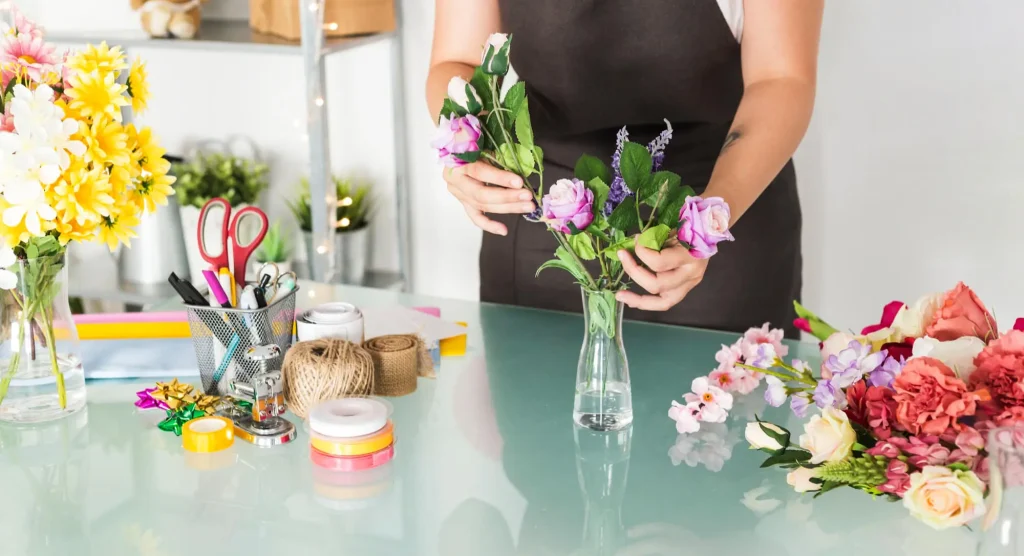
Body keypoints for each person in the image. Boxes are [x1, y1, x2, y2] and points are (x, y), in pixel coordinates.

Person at [428, 0, 823, 336]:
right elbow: (457, 59)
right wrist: (469, 143)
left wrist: (710, 219)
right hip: (543, 227)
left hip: (718, 225)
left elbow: (781, 78)